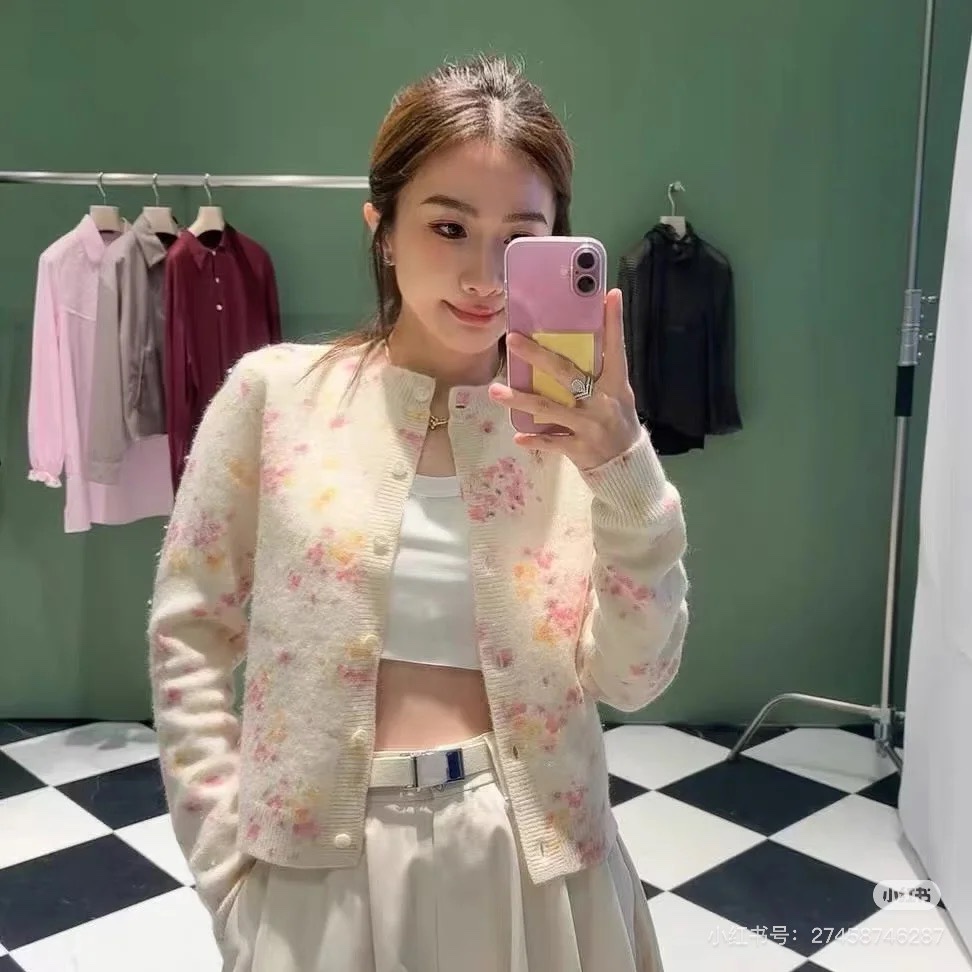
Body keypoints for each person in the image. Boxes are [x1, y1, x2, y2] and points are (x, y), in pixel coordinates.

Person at [148, 53, 689, 972]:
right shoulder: (274, 398)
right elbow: (190, 635)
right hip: (318, 868)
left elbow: (635, 680)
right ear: (385, 231)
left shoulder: (581, 440)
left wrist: (625, 474)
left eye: (519, 238)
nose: (482, 276)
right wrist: (224, 865)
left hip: (537, 860)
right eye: (448, 227)